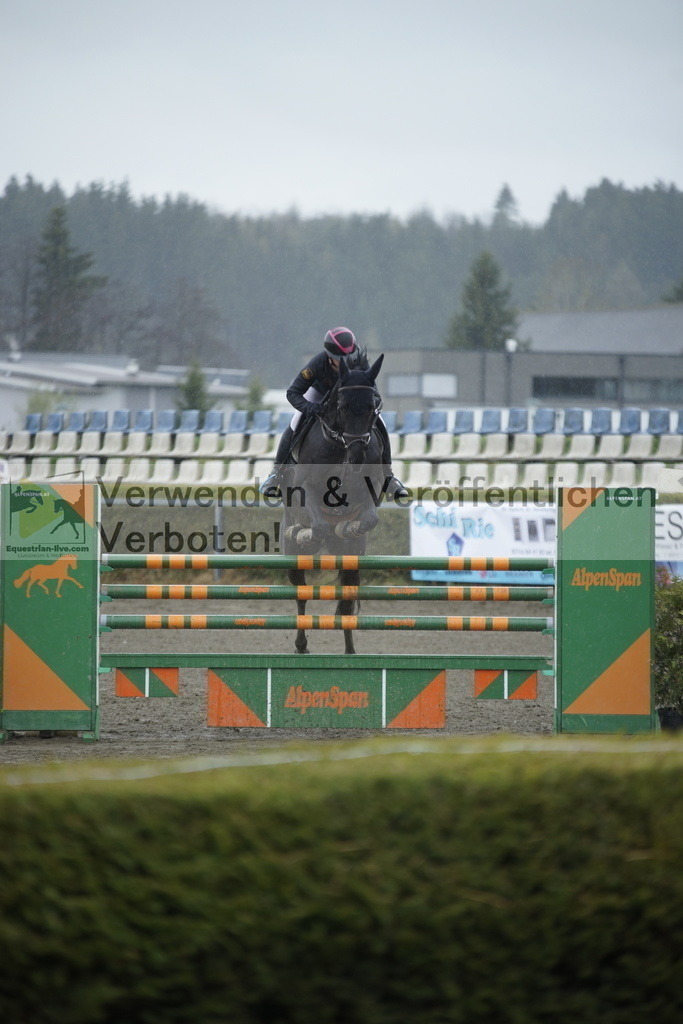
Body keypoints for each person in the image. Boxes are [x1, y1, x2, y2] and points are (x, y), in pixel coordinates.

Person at [259, 326, 407, 498]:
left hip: (349, 400)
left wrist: (374, 399)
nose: (347, 361)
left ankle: (388, 476)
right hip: (320, 395)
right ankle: (276, 474)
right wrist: (309, 407)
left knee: (381, 422)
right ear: (330, 356)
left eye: (349, 356)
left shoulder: (359, 362)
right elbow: (293, 393)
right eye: (340, 359)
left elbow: (372, 389)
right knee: (295, 421)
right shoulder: (317, 364)